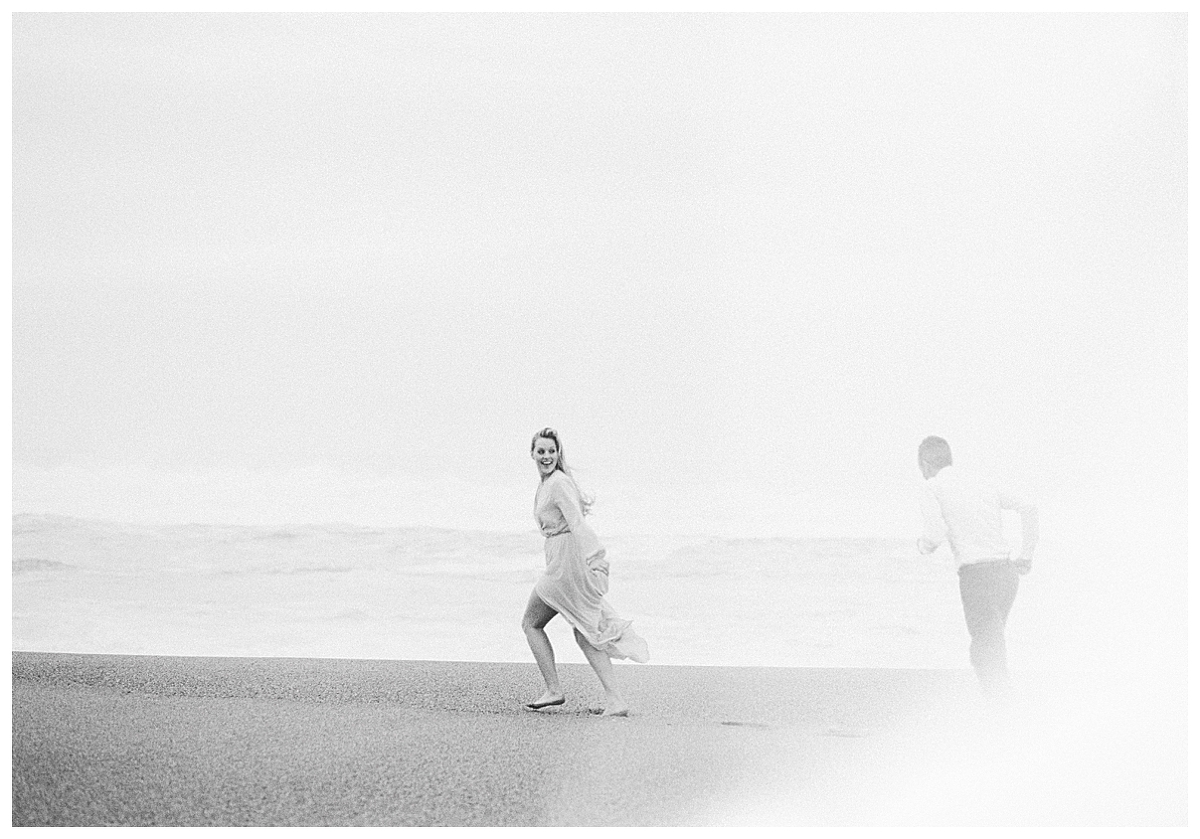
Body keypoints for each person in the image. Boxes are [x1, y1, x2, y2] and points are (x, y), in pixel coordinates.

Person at [521, 427, 649, 716]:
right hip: (561, 561)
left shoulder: (558, 483)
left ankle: (555, 690)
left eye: (551, 451)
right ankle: (614, 700)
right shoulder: (546, 485)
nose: (546, 456)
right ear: (532, 454)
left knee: (531, 623)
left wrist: (596, 558)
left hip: (567, 565)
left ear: (558, 453)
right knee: (584, 631)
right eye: (541, 451)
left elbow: (577, 523)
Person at [916, 436, 1039, 694]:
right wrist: (1026, 554)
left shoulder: (933, 487)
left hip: (977, 577)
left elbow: (936, 533)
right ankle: (998, 704)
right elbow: (1028, 507)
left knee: (986, 647)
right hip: (1007, 574)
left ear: (925, 464)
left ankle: (1002, 709)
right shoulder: (981, 481)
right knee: (988, 644)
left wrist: (923, 546)